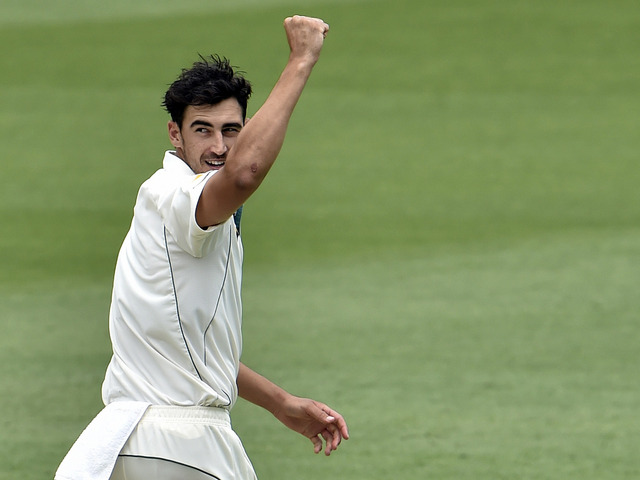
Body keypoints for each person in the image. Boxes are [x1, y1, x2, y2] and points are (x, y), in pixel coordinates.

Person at [55, 15, 348, 480]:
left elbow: (194, 350)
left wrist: (280, 403)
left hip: (130, 444)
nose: (218, 146)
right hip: (178, 446)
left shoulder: (179, 209)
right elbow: (245, 174)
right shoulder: (177, 196)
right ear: (175, 134)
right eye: (202, 129)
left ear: (246, 129)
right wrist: (301, 59)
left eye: (231, 131)